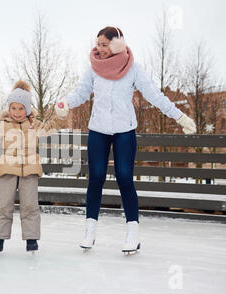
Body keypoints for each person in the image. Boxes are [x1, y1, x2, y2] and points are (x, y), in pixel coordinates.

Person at [57, 26, 196, 254]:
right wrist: (66, 103)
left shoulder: (133, 69)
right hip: (98, 130)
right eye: (98, 44)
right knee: (97, 177)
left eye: (104, 45)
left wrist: (179, 116)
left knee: (124, 177)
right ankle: (89, 230)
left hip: (124, 130)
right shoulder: (93, 68)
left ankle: (133, 232)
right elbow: (81, 92)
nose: (99, 49)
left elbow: (154, 95)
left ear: (116, 45)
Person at [0, 81, 69, 253]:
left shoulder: (34, 126)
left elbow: (50, 128)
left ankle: (31, 239)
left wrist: (60, 116)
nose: (17, 113)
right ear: (9, 108)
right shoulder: (4, 125)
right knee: (4, 204)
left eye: (21, 109)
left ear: (27, 110)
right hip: (8, 168)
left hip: (30, 169)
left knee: (30, 204)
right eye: (14, 108)